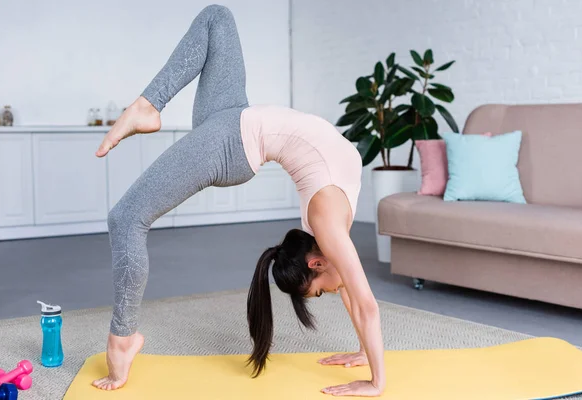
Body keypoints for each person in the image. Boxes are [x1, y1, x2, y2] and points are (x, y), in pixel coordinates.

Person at [92, 4, 385, 397]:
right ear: (316, 262)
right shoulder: (330, 225)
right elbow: (363, 301)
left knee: (126, 218)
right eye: (320, 291)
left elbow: (352, 291)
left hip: (233, 137)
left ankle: (122, 338)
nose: (332, 292)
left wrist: (366, 352)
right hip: (232, 126)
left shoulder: (327, 227)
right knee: (218, 17)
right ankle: (148, 105)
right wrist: (374, 379)